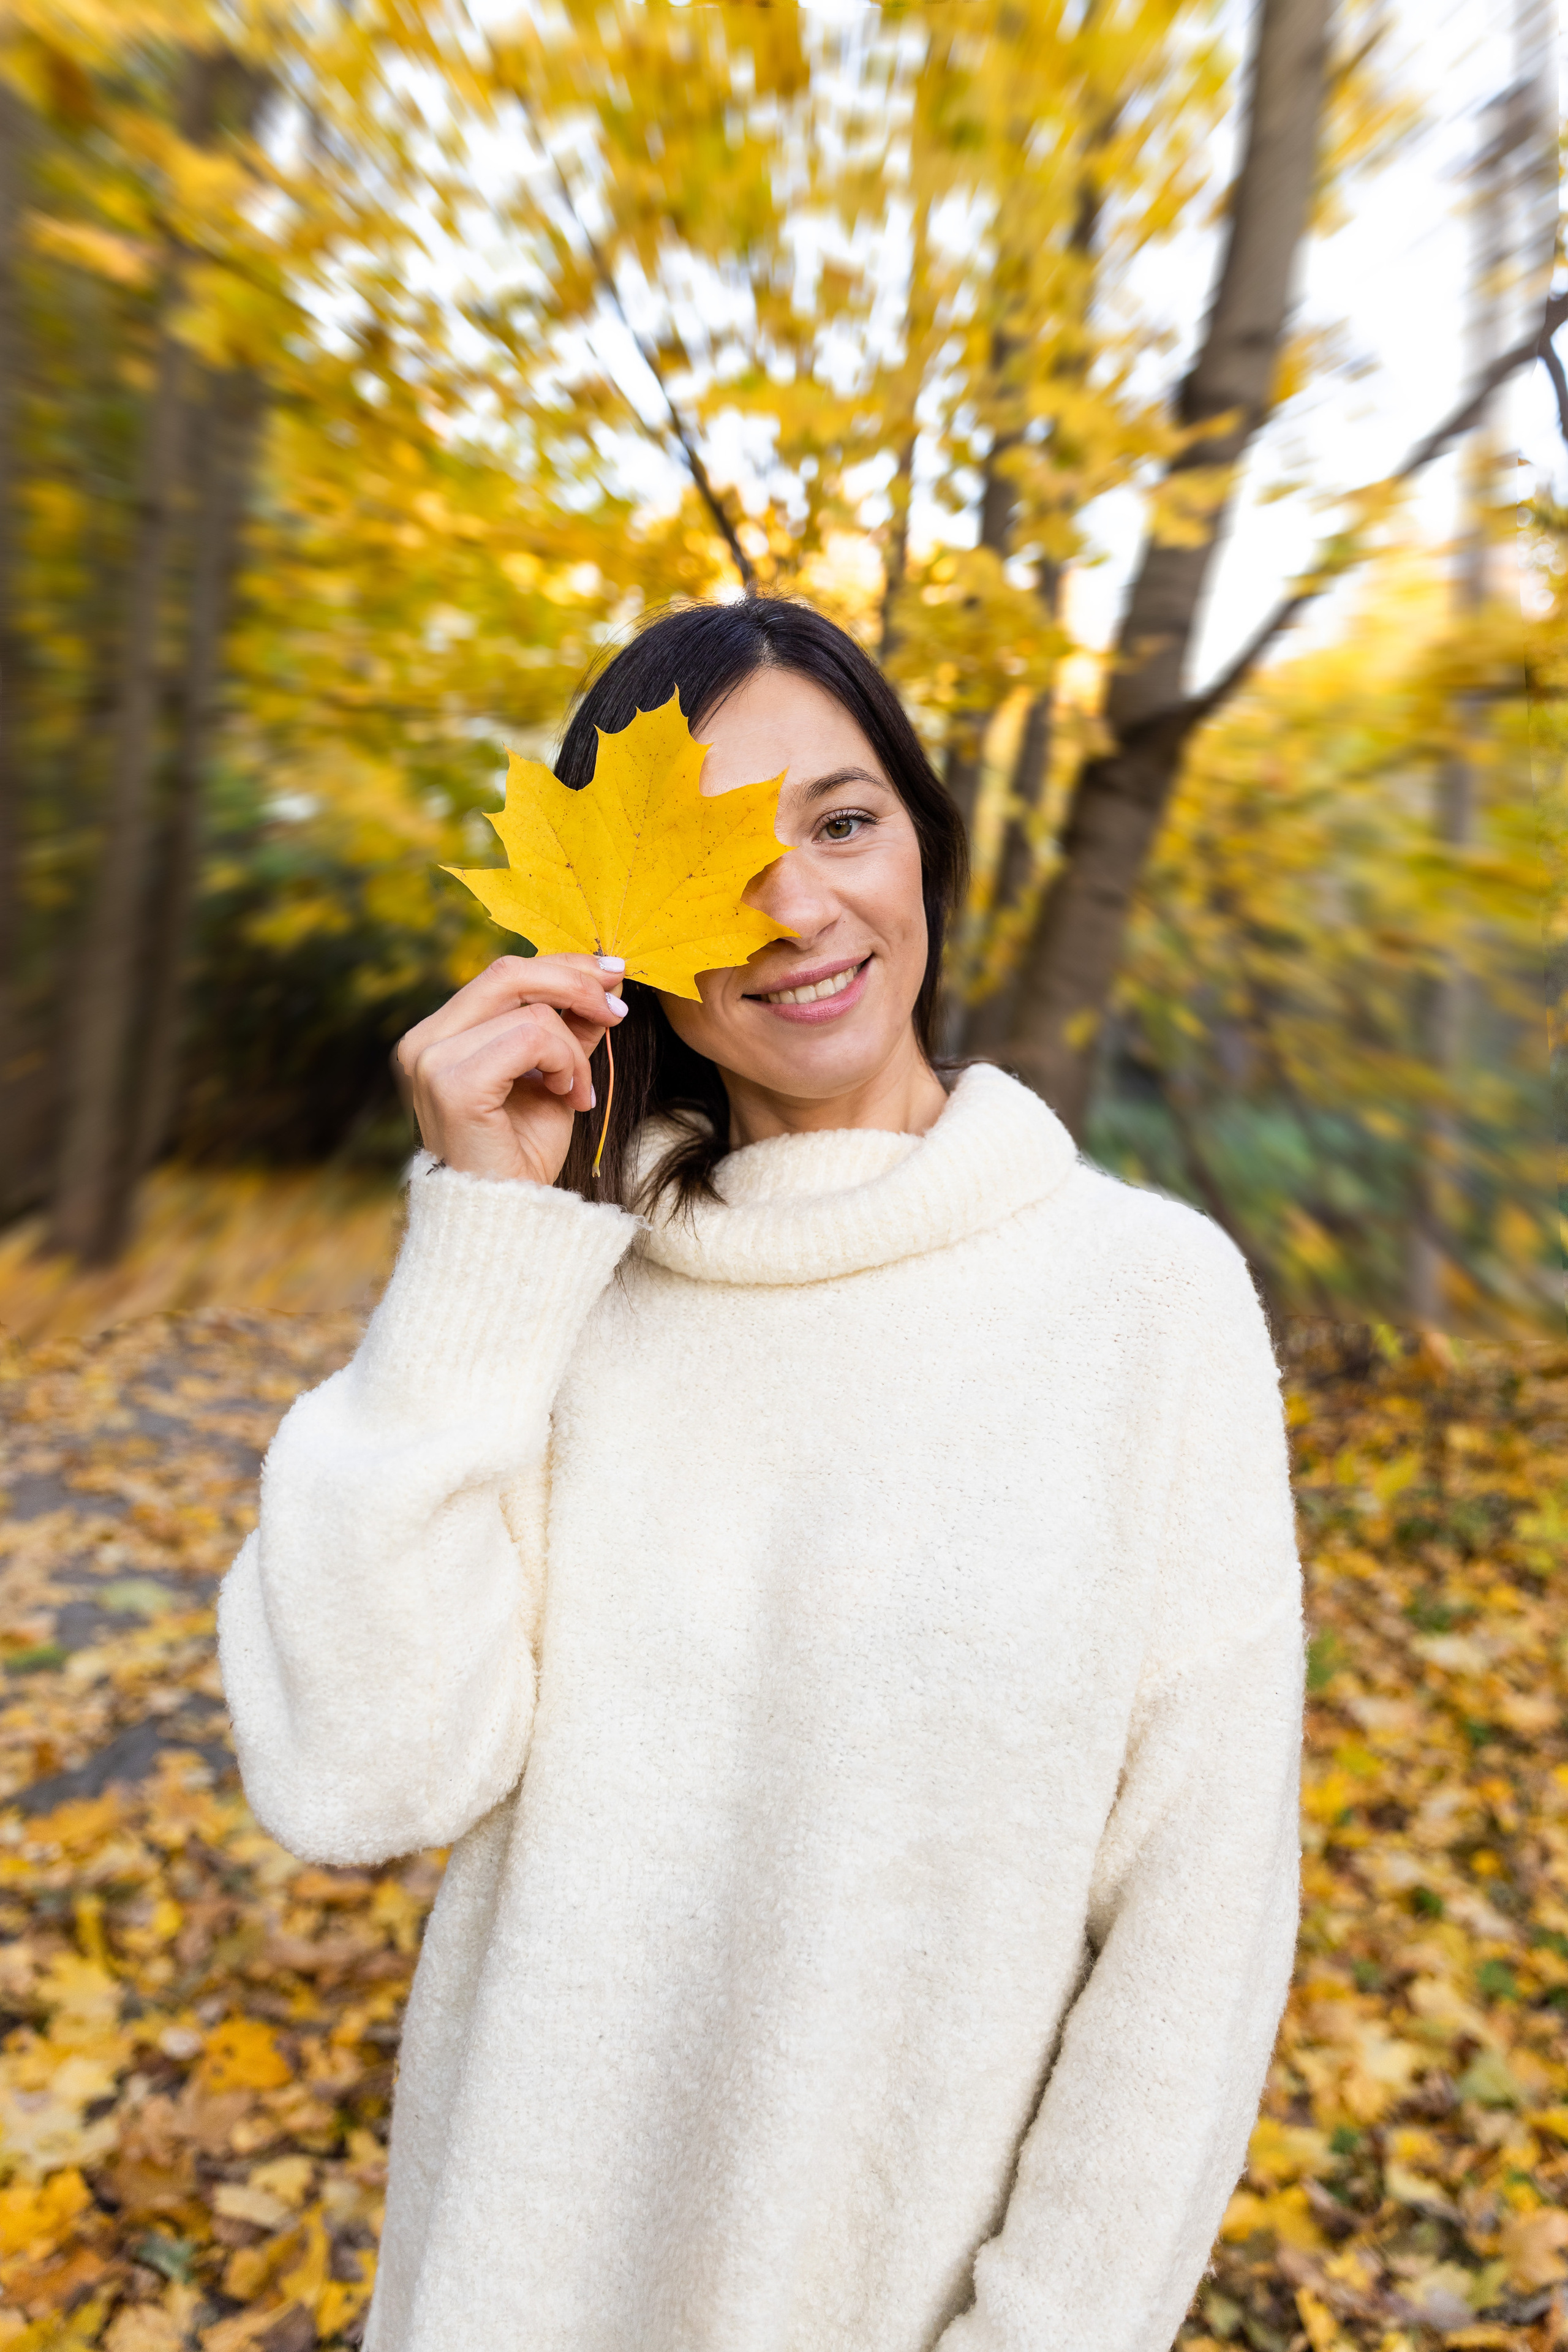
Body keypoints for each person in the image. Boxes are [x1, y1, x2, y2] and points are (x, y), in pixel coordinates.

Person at [219, 597, 1303, 2352]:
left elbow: (1197, 1929)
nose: (797, 906)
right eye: (715, 858)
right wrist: (485, 1238)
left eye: (843, 819)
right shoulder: (547, 1302)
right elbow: (357, 1777)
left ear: (925, 848)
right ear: (613, 933)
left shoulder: (1146, 1305)